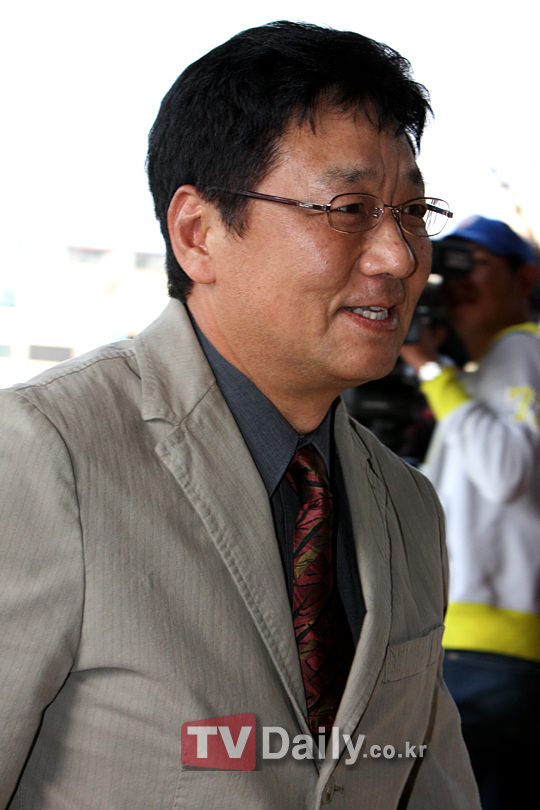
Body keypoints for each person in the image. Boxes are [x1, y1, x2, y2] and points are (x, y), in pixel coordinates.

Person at [0, 21, 479, 809]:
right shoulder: (45, 456)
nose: (399, 256)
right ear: (199, 233)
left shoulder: (407, 507)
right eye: (350, 208)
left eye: (413, 210)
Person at [401, 215, 540, 810]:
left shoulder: (522, 348)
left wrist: (429, 367)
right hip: (485, 647)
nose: (456, 279)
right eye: (447, 264)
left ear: (524, 277)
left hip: (486, 648)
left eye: (474, 263)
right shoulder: (484, 377)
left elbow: (504, 473)